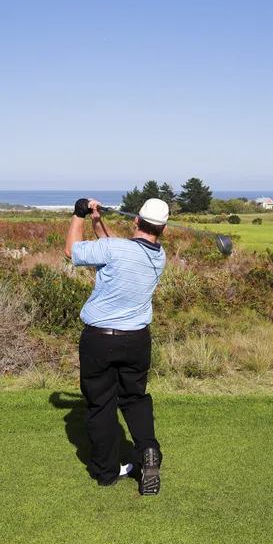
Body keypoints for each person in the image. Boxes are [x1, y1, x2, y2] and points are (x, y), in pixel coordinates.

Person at [65, 197, 168, 494]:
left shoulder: (116, 249)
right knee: (134, 399)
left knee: (101, 405)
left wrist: (79, 213)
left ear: (136, 220)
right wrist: (98, 221)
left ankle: (107, 472)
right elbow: (117, 248)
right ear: (161, 230)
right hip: (136, 341)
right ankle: (148, 450)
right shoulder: (158, 256)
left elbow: (71, 251)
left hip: (100, 339)